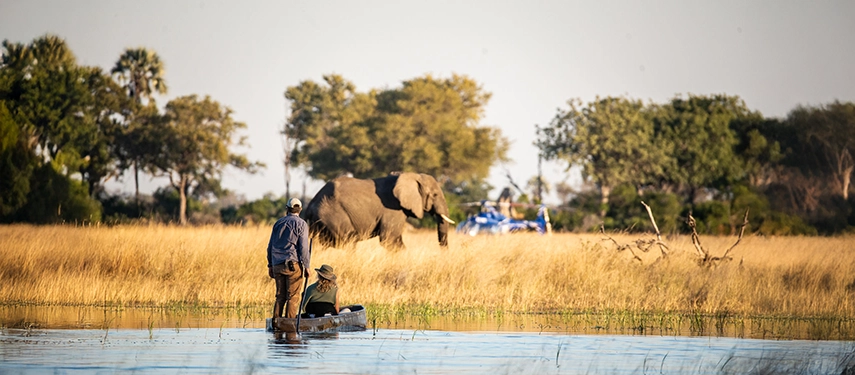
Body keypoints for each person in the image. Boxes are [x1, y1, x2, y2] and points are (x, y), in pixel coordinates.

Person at [267, 197, 311, 320]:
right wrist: (307, 266)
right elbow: (303, 248)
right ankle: (289, 326)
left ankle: (276, 324)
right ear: (300, 209)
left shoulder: (278, 223)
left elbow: (270, 246)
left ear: (287, 209)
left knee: (280, 296)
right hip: (293, 265)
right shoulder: (302, 224)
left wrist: (270, 265)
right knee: (293, 297)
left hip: (277, 265)